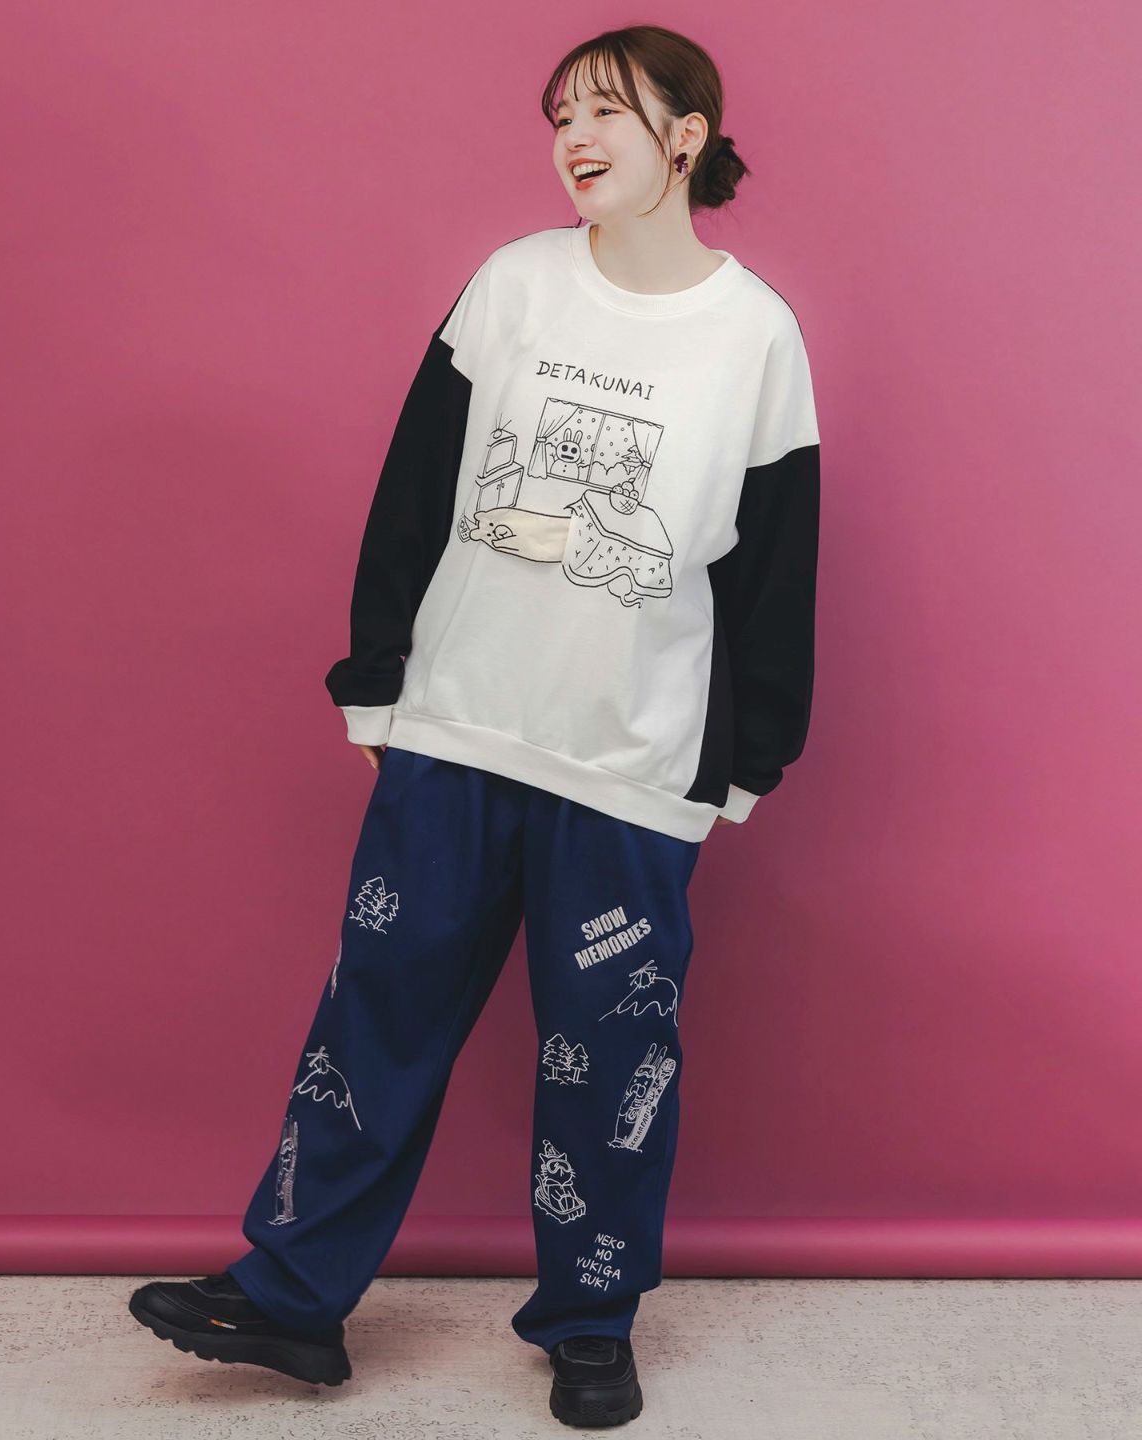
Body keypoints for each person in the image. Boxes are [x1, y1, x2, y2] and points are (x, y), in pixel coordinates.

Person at [129, 22, 820, 1429]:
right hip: (456, 731)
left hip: (629, 766)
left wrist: (748, 761)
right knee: (375, 1015)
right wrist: (375, 680)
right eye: (560, 116)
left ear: (686, 135)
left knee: (610, 1059)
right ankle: (292, 1297)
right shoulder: (511, 286)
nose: (576, 138)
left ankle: (591, 1323)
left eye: (608, 112)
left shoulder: (755, 335)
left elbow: (776, 562)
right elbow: (415, 489)